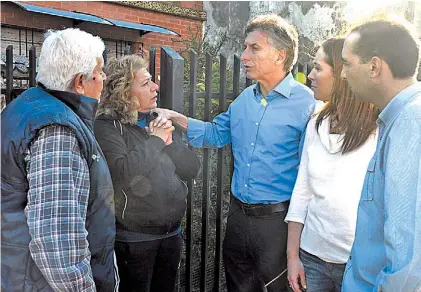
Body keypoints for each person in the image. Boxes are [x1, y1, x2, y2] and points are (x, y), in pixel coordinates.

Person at [151, 14, 316, 292]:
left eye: (254, 48)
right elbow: (216, 133)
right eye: (245, 47)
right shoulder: (244, 100)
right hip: (238, 218)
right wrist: (174, 117)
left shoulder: (307, 105)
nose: (244, 56)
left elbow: (312, 176)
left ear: (280, 55)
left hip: (279, 223)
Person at [1, 28, 118, 291]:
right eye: (100, 72)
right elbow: (57, 243)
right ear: (80, 82)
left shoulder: (26, 107)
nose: (104, 78)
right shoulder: (58, 129)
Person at [94, 54, 200, 292]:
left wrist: (170, 143)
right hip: (135, 239)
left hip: (171, 234)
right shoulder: (108, 127)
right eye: (145, 83)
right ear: (123, 92)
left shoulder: (156, 120)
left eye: (152, 81)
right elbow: (123, 174)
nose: (155, 87)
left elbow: (191, 169)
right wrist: (155, 141)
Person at [285, 38, 378, 292]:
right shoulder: (317, 122)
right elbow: (302, 191)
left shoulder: (379, 130)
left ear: (343, 74)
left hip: (359, 265)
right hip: (312, 259)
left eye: (318, 68)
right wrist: (293, 257)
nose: (310, 75)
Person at [341, 17, 421, 291]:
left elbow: (407, 253)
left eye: (347, 64)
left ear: (374, 67)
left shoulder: (412, 120)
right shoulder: (400, 117)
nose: (343, 74)